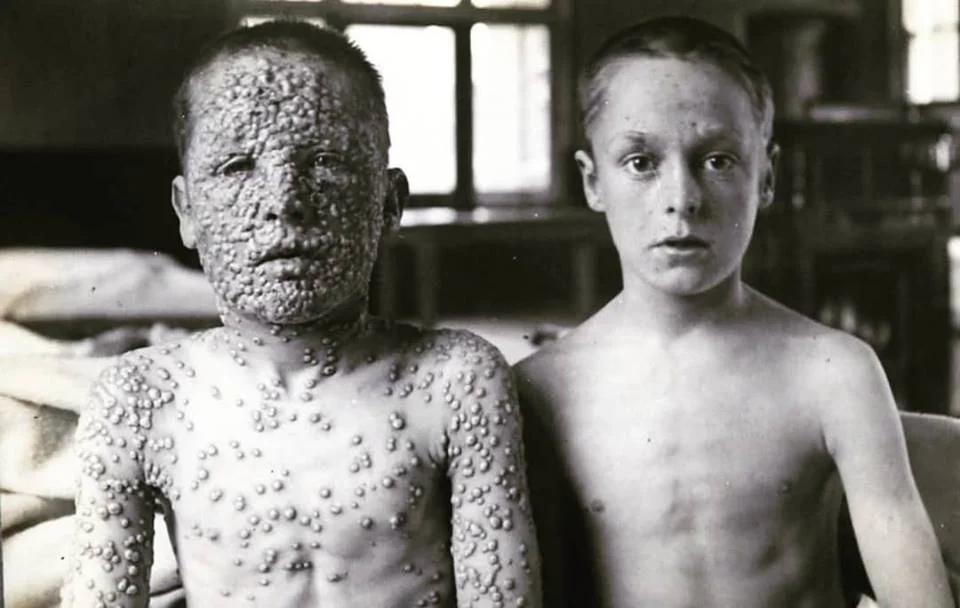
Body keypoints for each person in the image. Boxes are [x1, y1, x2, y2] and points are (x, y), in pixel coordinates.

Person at [62, 21, 540, 608]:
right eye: (237, 166)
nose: (283, 202)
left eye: (326, 162)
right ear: (187, 211)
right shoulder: (140, 398)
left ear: (388, 203)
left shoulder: (457, 380)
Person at [514, 16, 952, 608]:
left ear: (766, 177)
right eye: (641, 162)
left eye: (717, 160)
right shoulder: (541, 390)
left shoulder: (836, 372)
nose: (682, 199)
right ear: (593, 182)